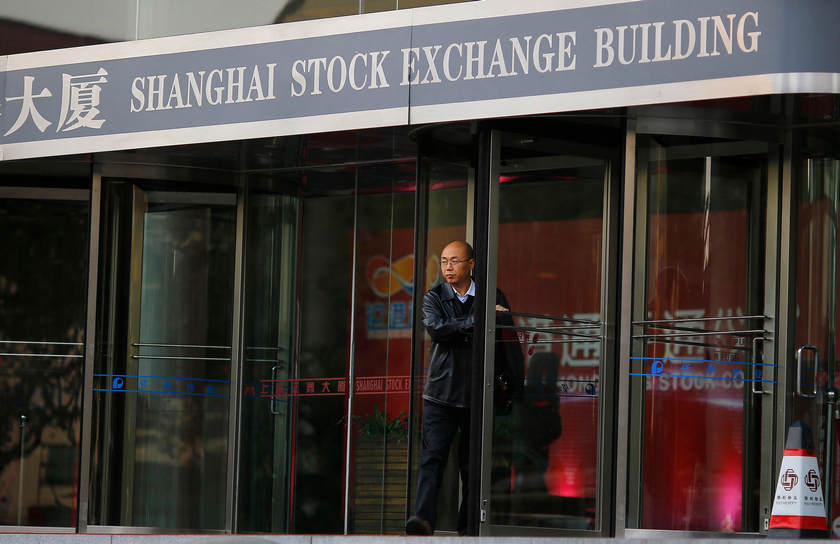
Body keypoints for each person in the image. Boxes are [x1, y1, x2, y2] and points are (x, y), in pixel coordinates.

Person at [405, 240, 522, 536]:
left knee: (472, 466)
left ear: (471, 264)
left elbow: (508, 342)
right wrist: (480, 319)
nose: (448, 267)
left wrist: (513, 384)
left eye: (454, 261)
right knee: (432, 459)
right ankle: (423, 520)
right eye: (444, 261)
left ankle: (468, 528)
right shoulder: (434, 297)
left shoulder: (492, 295)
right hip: (440, 394)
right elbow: (437, 330)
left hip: (477, 394)